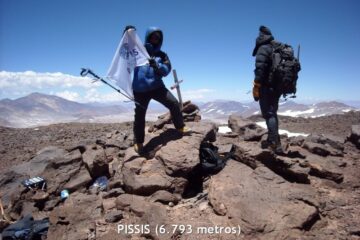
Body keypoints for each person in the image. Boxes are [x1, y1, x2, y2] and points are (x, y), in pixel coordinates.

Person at [126, 26, 190, 154]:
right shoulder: (138, 50)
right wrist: (127, 36)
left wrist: (157, 65)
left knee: (174, 103)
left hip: (157, 87)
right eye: (153, 36)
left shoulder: (162, 55)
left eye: (158, 37)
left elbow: (166, 70)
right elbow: (126, 52)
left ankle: (180, 127)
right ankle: (138, 142)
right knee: (139, 116)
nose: (155, 39)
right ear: (148, 37)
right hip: (140, 90)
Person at [252, 26, 283, 153]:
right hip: (277, 87)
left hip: (267, 87)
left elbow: (260, 69)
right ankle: (276, 141)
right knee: (272, 113)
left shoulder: (263, 48)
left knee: (269, 114)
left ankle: (274, 144)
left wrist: (256, 86)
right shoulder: (276, 48)